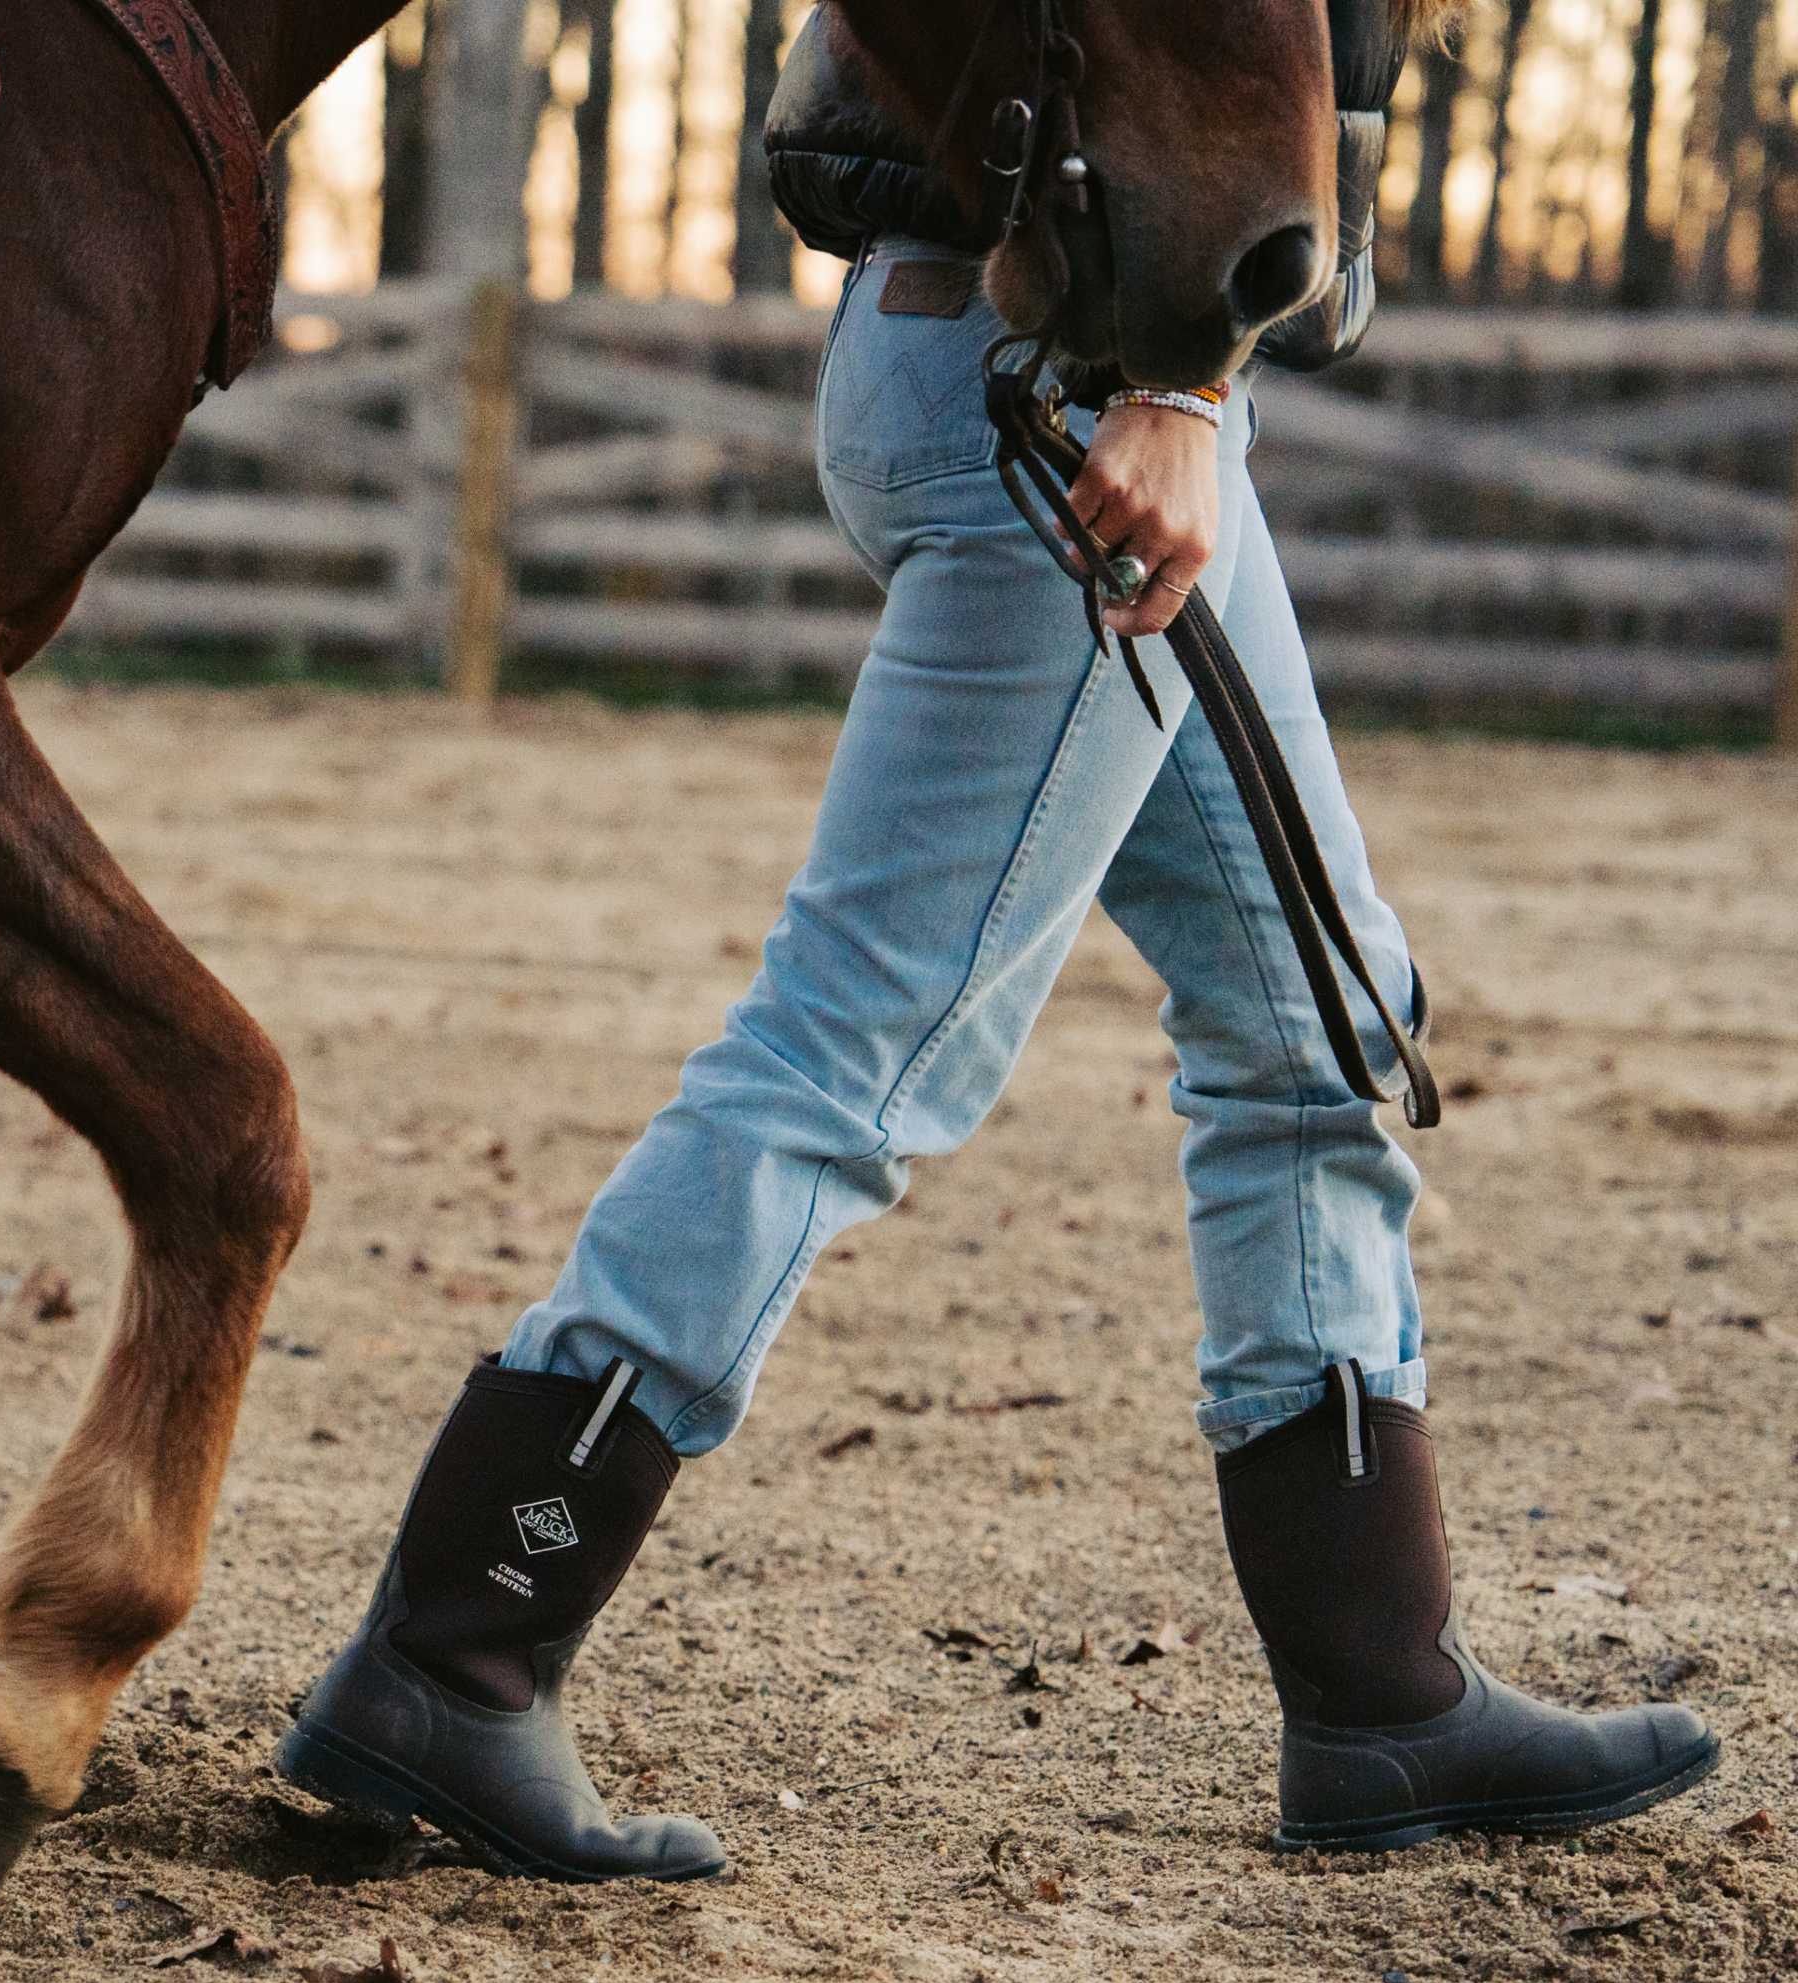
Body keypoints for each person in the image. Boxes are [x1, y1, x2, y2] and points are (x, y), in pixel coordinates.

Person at [274, 2, 1717, 1879]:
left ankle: (1383, 1697)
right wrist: (1179, 391)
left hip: (1030, 363)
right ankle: (459, 1650)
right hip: (1072, 383)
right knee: (856, 1048)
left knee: (1320, 1018)